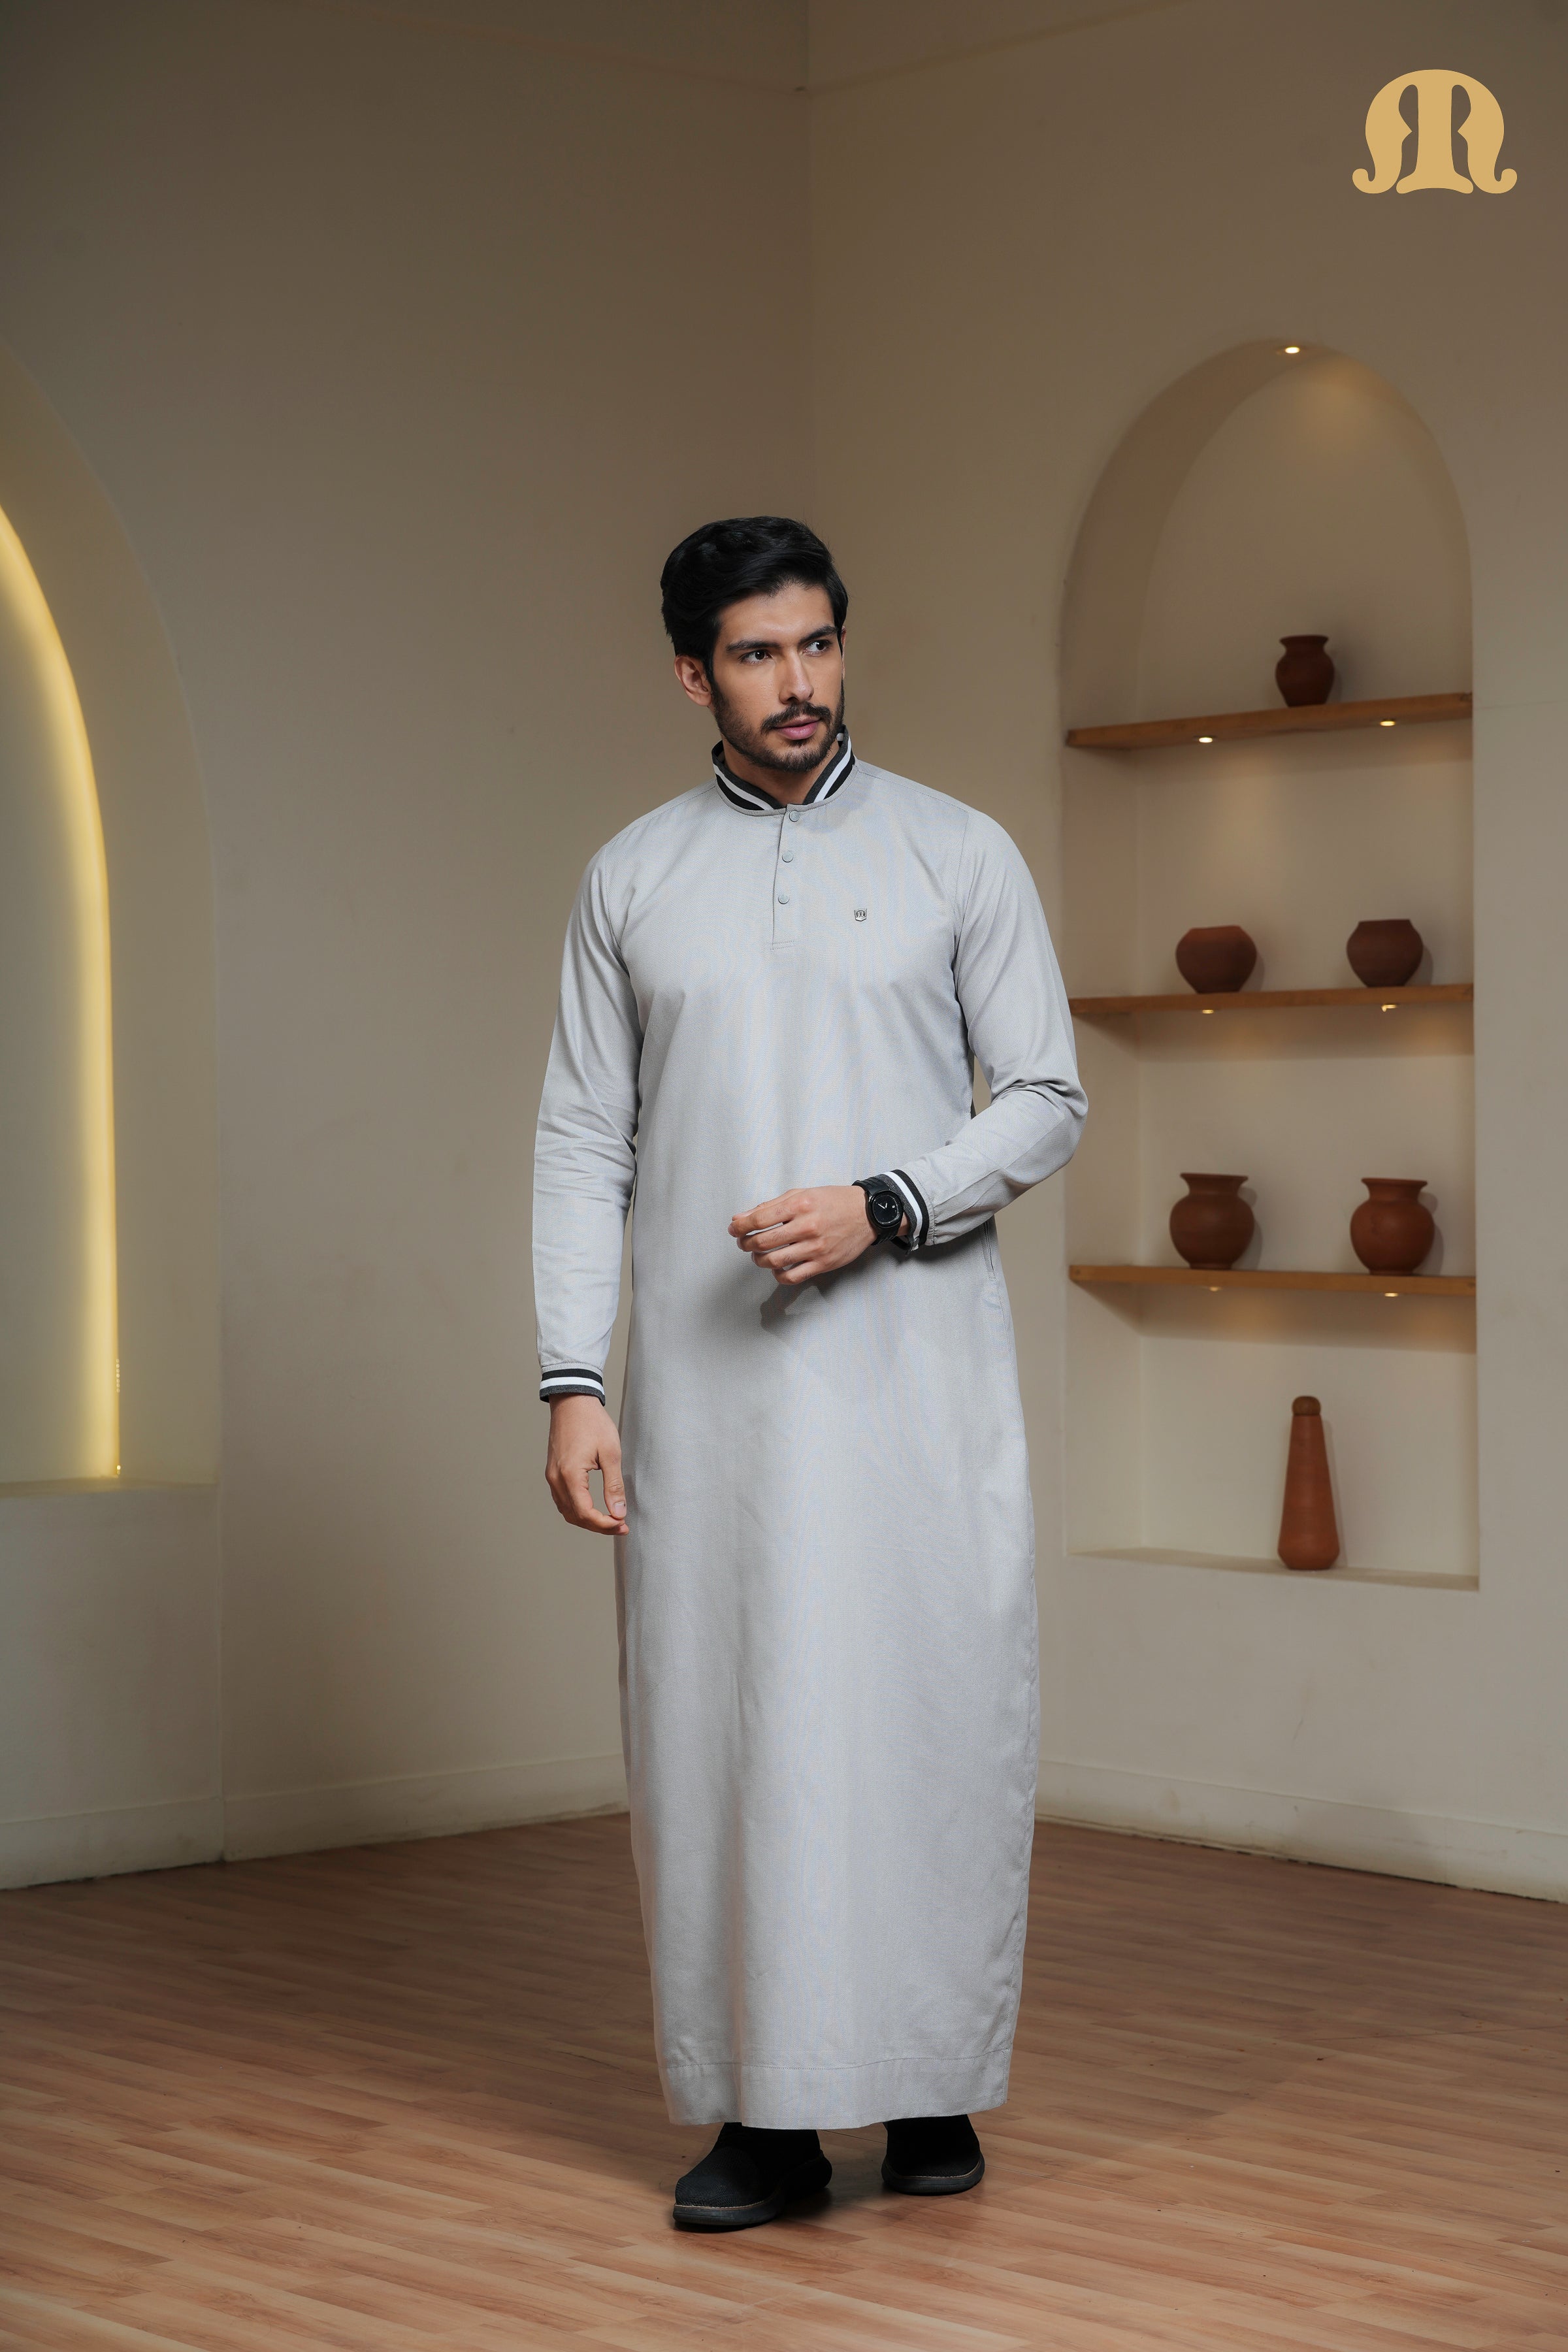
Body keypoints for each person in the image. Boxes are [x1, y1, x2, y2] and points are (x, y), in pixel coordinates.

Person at [533, 516, 1085, 2230]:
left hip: (917, 1370)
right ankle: (761, 2118)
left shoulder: (957, 852)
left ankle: (928, 2086)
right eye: (758, 653)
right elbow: (583, 1140)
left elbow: (1047, 1094)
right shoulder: (632, 878)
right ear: (692, 673)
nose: (798, 683)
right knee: (724, 1728)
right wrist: (572, 1378)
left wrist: (887, 1202)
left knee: (927, 1711)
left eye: (818, 644)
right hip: (709, 1400)